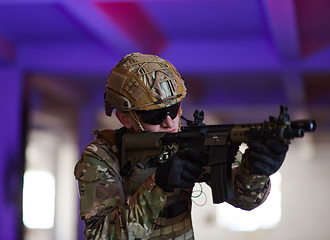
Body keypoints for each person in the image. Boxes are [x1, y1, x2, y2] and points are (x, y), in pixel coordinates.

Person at [74, 53, 289, 240]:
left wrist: (256, 170)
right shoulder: (101, 157)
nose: (169, 122)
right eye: (154, 114)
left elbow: (247, 200)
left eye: (174, 109)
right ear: (125, 119)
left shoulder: (189, 142)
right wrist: (158, 185)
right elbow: (100, 235)